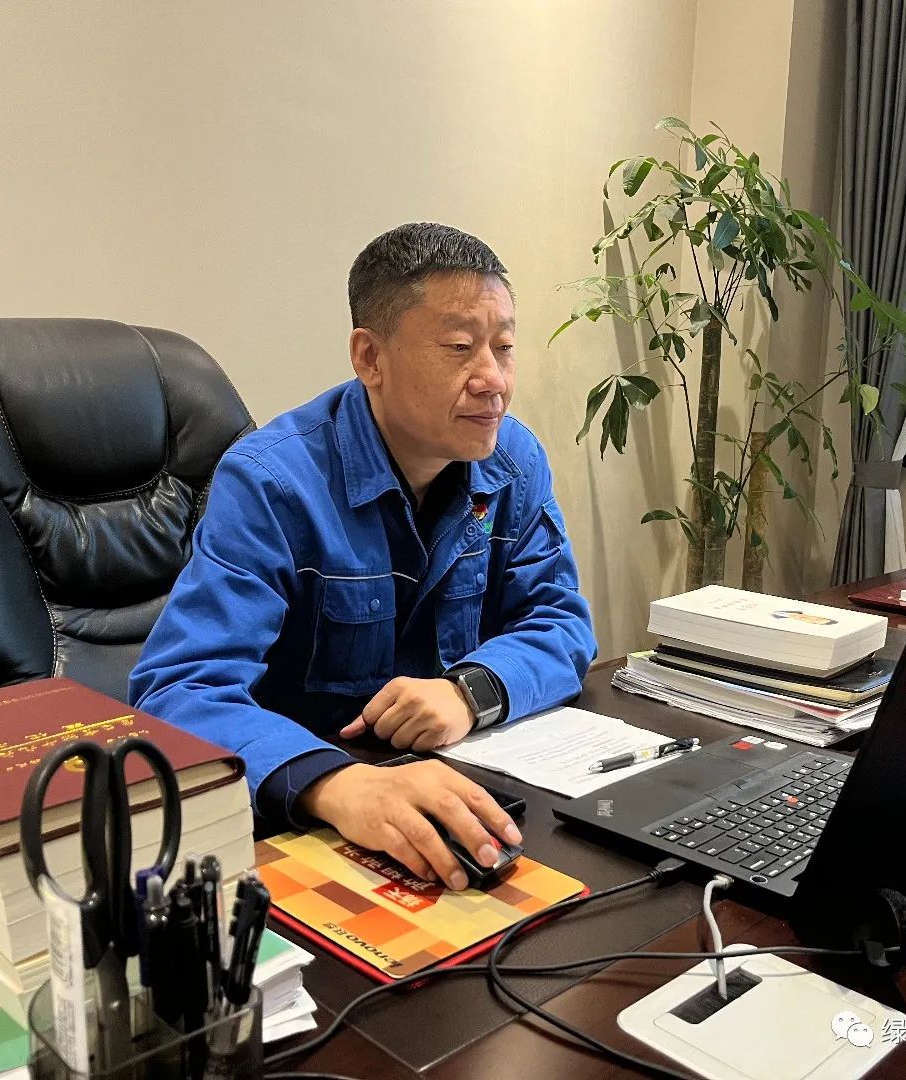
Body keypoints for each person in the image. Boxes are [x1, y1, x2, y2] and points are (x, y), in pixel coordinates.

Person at [130, 222, 597, 891]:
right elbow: (177, 690)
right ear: (370, 357)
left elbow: (561, 622)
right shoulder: (272, 482)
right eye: (460, 348)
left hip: (457, 793)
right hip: (309, 821)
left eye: (503, 347)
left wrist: (469, 693)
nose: (493, 380)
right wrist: (334, 782)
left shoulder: (512, 459)